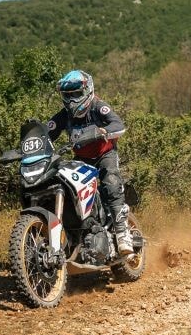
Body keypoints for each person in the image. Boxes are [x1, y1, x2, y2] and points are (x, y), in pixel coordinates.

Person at [47, 69, 133, 258]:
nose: (72, 100)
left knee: (111, 183)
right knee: (70, 189)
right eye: (67, 96)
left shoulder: (98, 107)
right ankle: (78, 234)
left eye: (76, 94)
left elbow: (118, 125)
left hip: (105, 154)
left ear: (87, 91)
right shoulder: (64, 115)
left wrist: (101, 132)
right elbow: (48, 132)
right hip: (82, 158)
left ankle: (122, 233)